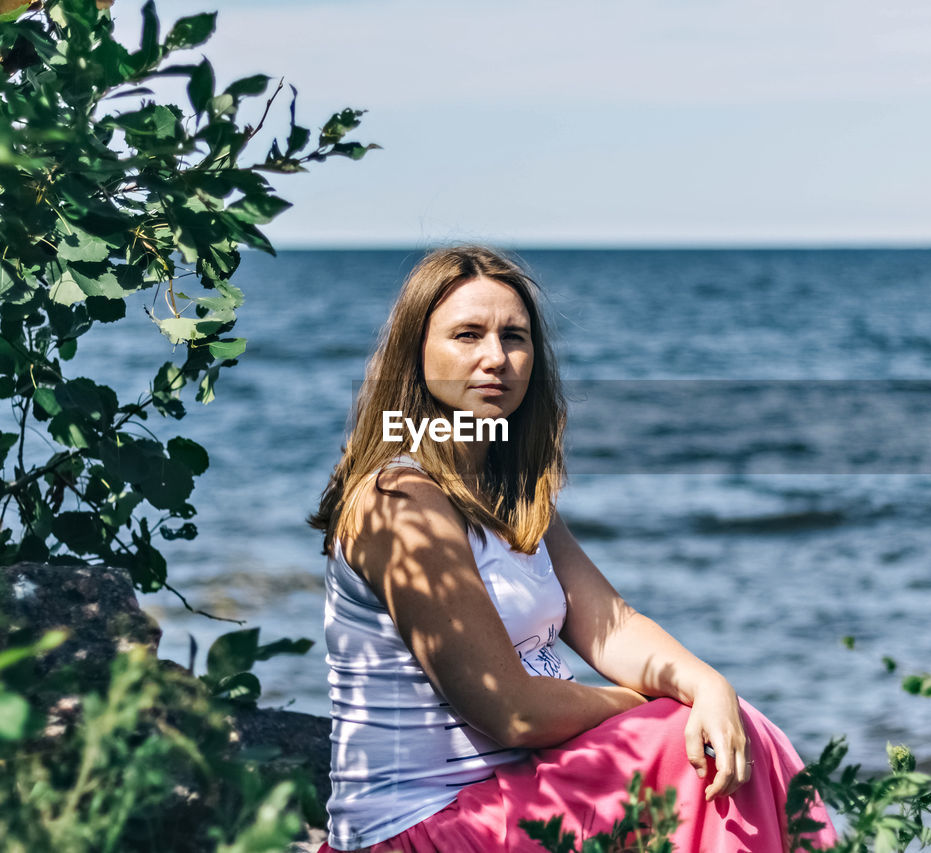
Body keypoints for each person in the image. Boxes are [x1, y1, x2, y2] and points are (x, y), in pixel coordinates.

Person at [307, 246, 837, 852]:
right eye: (467, 335)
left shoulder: (508, 494)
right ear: (415, 355)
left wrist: (705, 684)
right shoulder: (399, 500)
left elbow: (612, 627)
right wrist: (638, 703)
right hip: (425, 826)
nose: (495, 358)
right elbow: (509, 710)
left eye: (515, 337)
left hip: (516, 792)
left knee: (734, 727)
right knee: (674, 743)